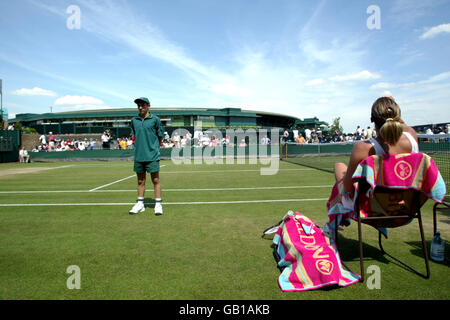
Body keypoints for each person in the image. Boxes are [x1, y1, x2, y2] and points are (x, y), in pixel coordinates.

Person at [323, 96, 419, 236]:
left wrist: (343, 180)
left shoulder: (363, 148)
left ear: (372, 120)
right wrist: (393, 108)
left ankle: (334, 224)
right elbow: (402, 125)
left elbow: (348, 189)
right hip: (406, 210)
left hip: (373, 212)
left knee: (339, 170)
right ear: (398, 116)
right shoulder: (412, 136)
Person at [129, 97, 165, 215]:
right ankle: (140, 204)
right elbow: (134, 136)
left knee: (155, 179)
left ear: (148, 106)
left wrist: (155, 148)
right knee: (140, 181)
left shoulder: (155, 119)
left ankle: (158, 204)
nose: (140, 107)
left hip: (152, 155)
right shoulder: (134, 120)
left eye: (143, 105)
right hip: (139, 155)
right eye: (138, 105)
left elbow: (160, 136)